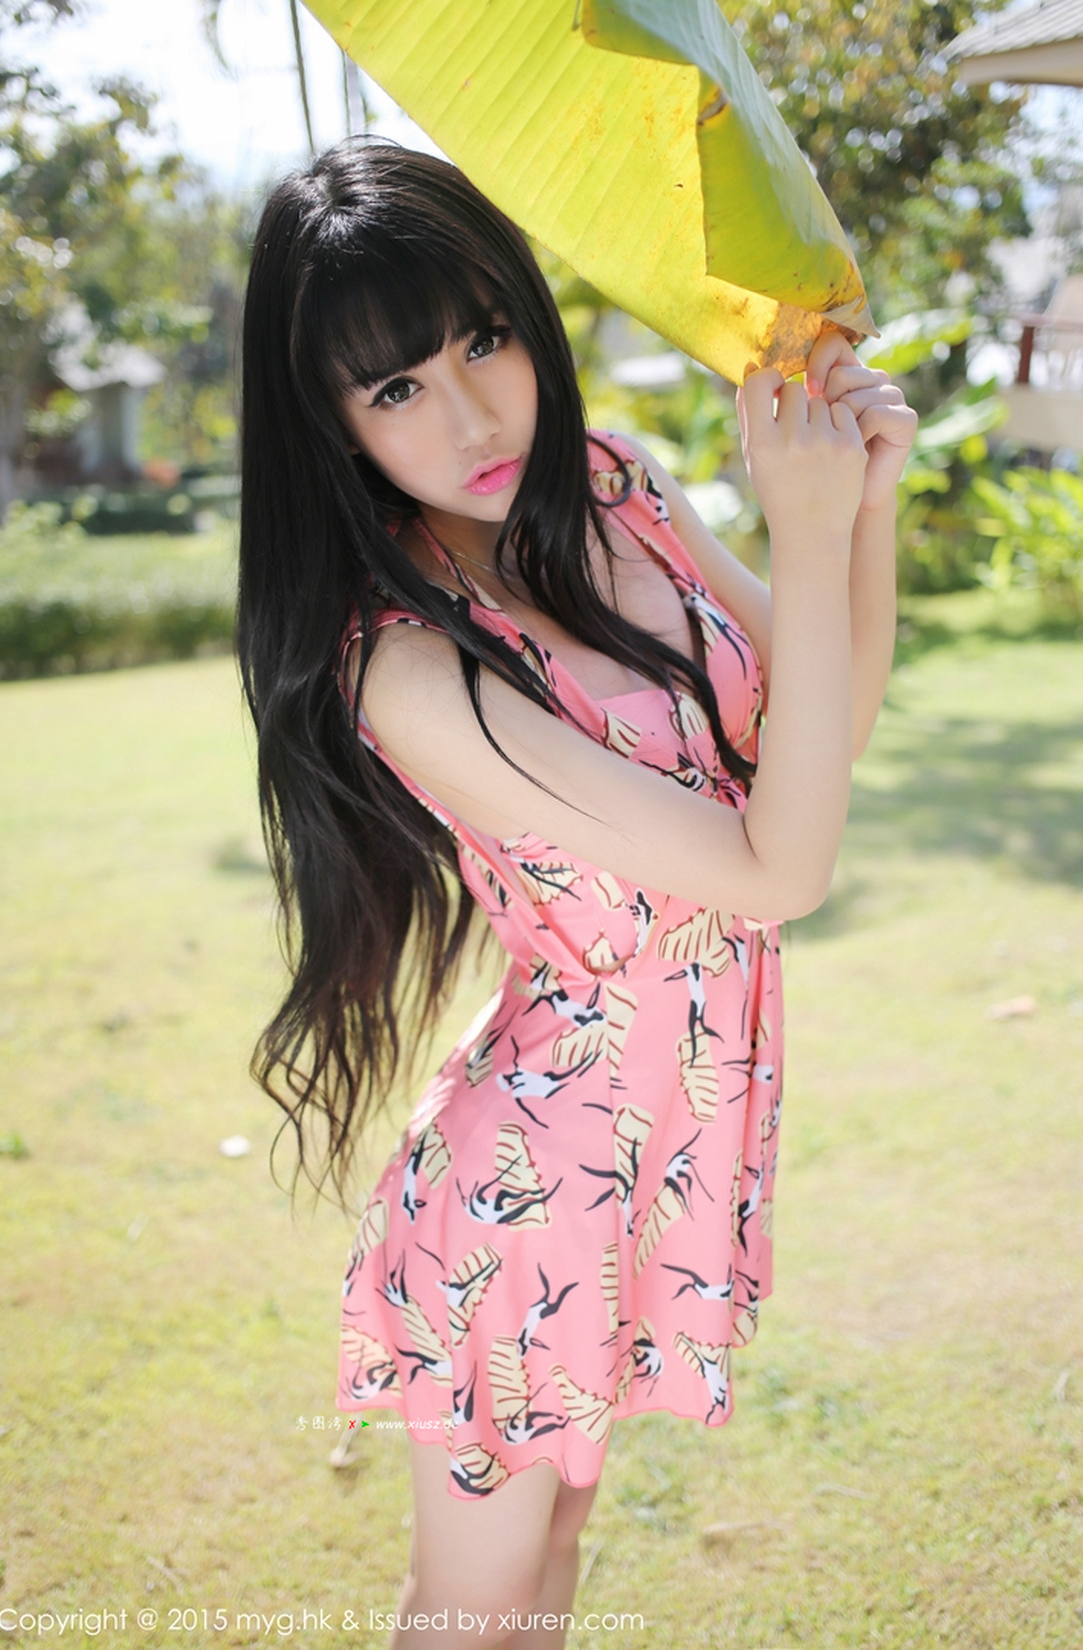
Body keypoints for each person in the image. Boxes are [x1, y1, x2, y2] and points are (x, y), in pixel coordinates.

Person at [238, 139, 916, 1650]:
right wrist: (804, 530)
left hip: (652, 1156)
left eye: (484, 337)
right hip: (529, 1196)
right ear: (329, 425)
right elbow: (784, 869)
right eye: (397, 386)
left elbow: (828, 733)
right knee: (476, 1612)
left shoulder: (615, 487)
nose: (474, 413)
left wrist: (864, 504)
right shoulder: (402, 662)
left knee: (545, 1573)